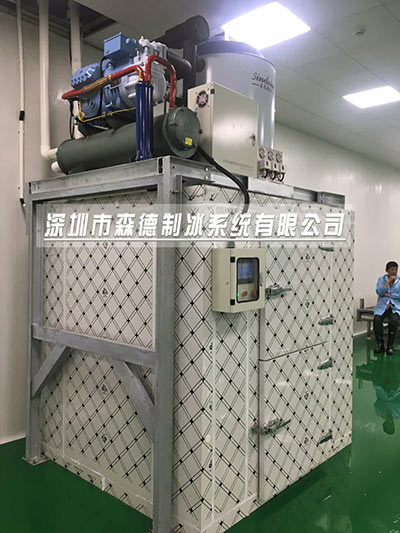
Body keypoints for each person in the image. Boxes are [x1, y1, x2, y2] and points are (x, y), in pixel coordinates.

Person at [374, 261, 400, 355]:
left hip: (395, 306)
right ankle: (380, 345)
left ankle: (390, 346)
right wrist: (387, 282)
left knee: (394, 321)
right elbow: (380, 292)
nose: (394, 272)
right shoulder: (381, 280)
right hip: (382, 306)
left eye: (396, 269)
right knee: (377, 320)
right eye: (392, 269)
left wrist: (390, 295)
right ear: (387, 270)